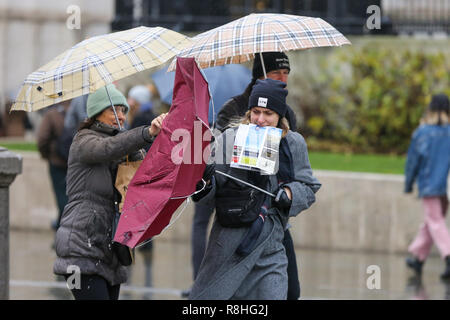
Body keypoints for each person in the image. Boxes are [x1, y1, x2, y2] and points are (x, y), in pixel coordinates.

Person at [189, 78, 321, 299]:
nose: (260, 119)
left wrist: (289, 194)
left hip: (270, 248)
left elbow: (308, 186)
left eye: (268, 113)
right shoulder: (229, 139)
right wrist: (205, 181)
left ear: (280, 116)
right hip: (228, 248)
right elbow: (208, 194)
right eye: (256, 112)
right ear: (248, 113)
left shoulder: (293, 143)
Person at [53, 84, 167, 300]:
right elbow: (108, 148)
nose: (121, 116)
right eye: (114, 109)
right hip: (79, 253)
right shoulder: (83, 140)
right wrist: (146, 132)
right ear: (97, 112)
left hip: (110, 253)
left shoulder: (123, 146)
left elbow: (147, 174)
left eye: (124, 110)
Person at [210, 51, 301, 300]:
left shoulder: (287, 114)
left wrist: (290, 192)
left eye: (286, 73)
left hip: (271, 214)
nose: (283, 78)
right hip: (234, 207)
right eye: (276, 73)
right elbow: (218, 158)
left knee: (290, 291)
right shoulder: (233, 108)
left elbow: (298, 173)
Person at [404, 93, 450, 280]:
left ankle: (448, 256)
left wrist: (408, 184)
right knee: (433, 221)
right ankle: (419, 258)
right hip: (447, 187)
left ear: (430, 109)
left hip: (430, 185)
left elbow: (413, 162)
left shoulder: (422, 132)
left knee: (435, 221)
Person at [37, 101, 70, 231]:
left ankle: (63, 230)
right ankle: (61, 226)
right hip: (77, 163)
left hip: (57, 162)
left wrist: (47, 155)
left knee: (61, 197)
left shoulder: (52, 114)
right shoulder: (79, 110)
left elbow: (42, 139)